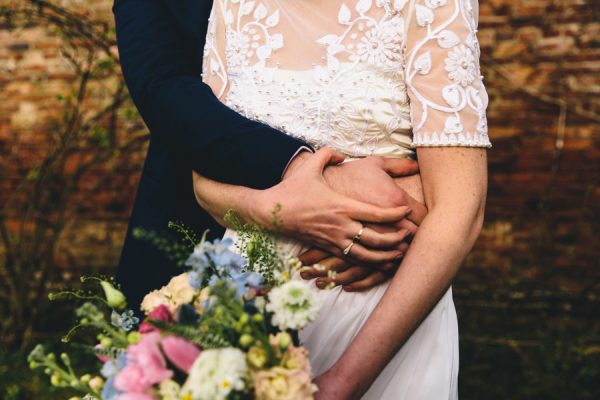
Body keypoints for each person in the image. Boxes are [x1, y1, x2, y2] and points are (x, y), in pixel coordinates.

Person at [192, 0, 490, 398]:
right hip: (246, 305)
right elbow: (204, 182)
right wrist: (279, 212)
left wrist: (341, 383)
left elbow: (461, 209)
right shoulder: (232, 6)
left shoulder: (432, 5)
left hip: (374, 311)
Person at [112, 0, 421, 318]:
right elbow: (162, 85)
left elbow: (445, 110)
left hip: (385, 234)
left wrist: (415, 197)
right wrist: (309, 173)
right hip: (202, 221)